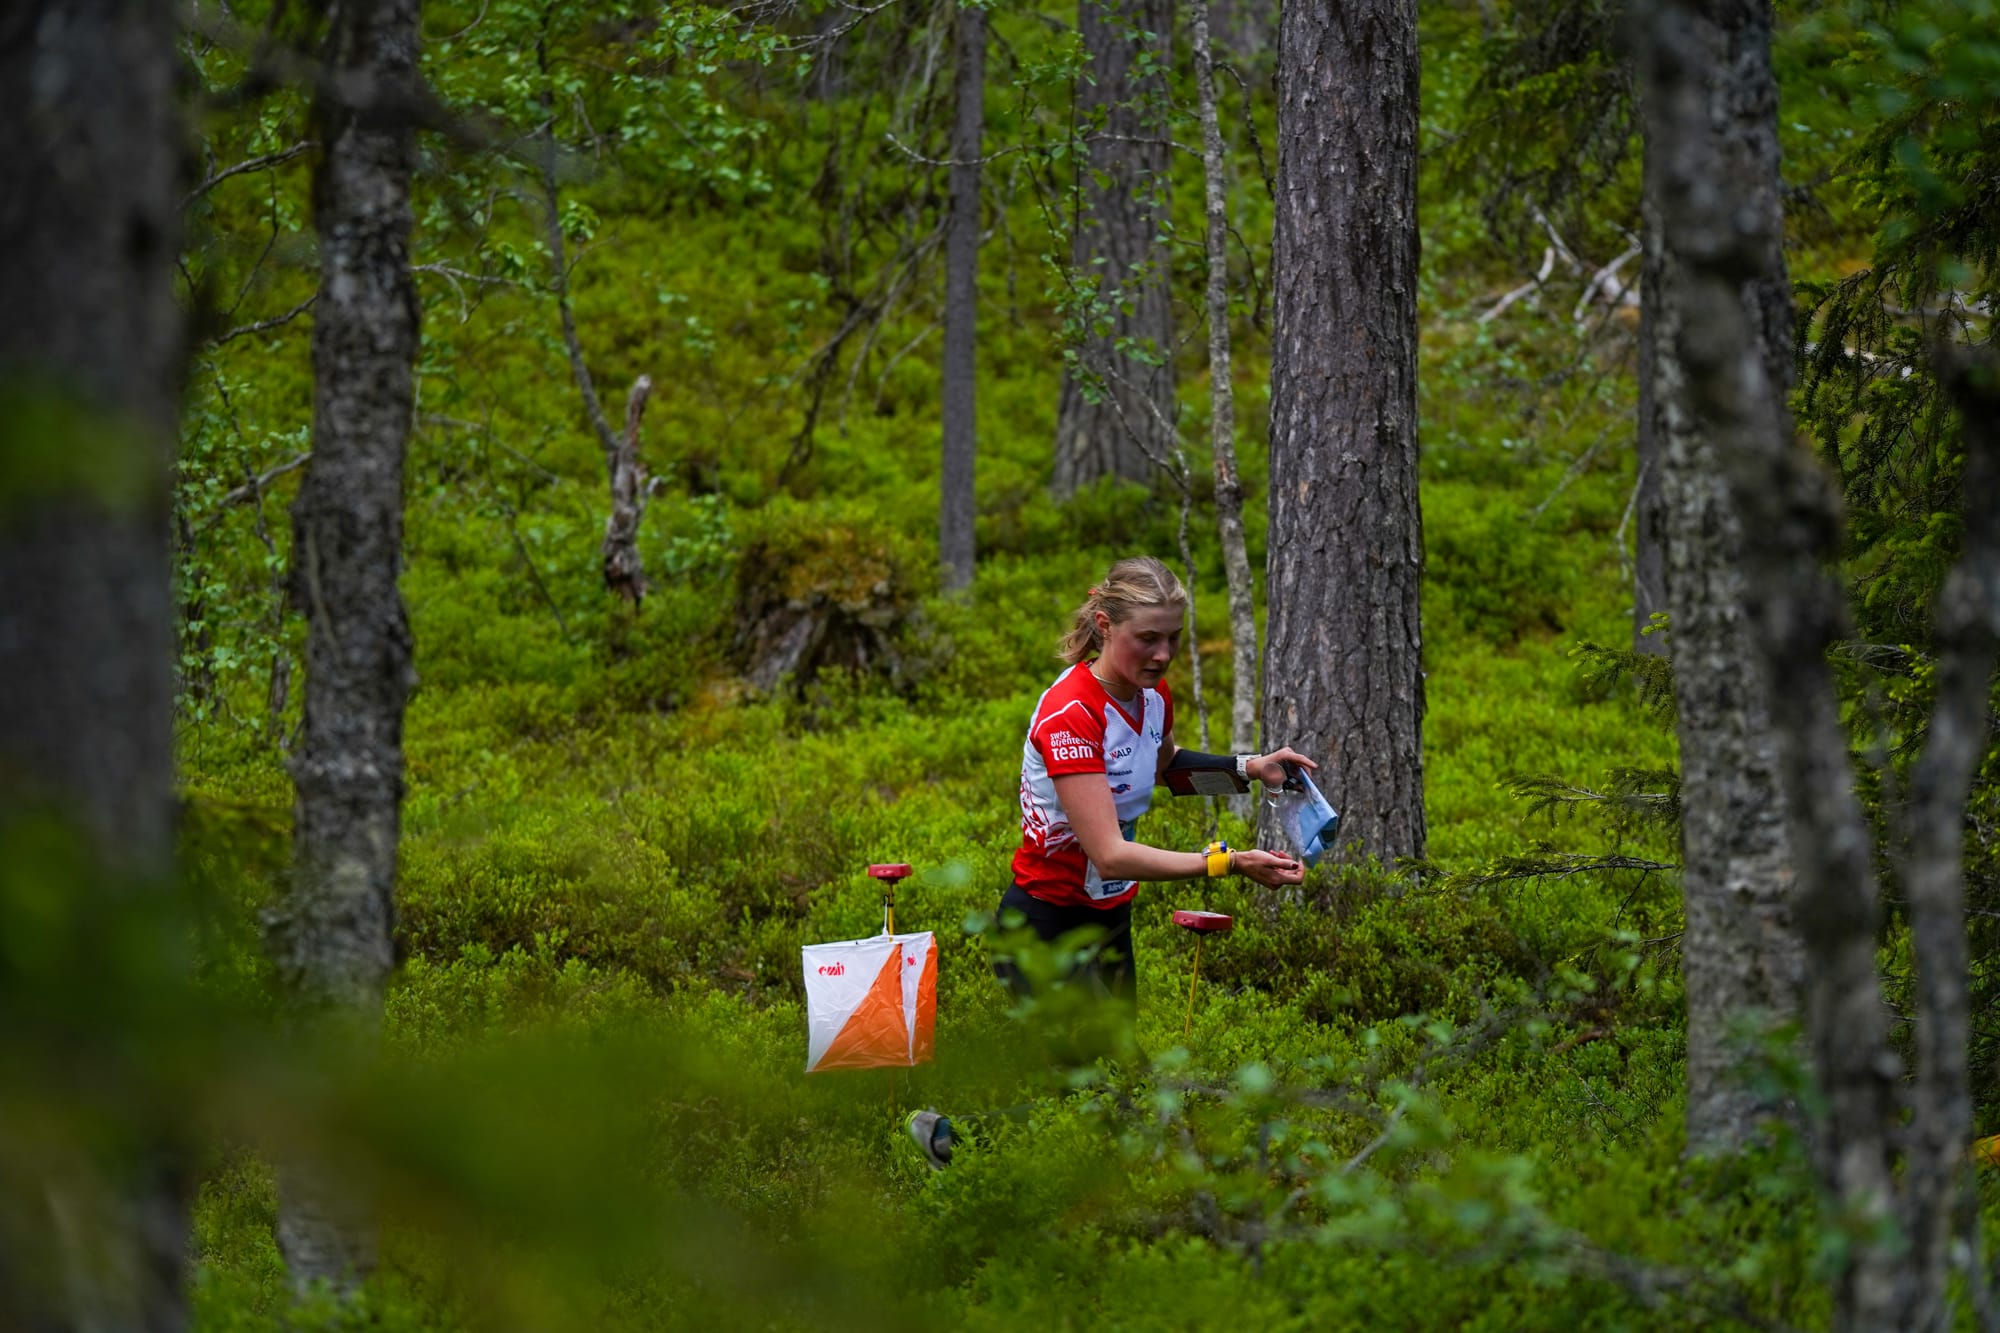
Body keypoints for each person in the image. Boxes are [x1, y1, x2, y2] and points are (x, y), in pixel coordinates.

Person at [907, 556, 1317, 1169]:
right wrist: (1227, 864)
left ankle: (963, 1151)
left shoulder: (1152, 697)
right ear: (1105, 625)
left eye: (1173, 638)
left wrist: (1247, 768)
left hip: (1108, 921)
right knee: (1105, 1093)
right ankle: (947, 1143)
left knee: (1114, 1091)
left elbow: (1164, 768)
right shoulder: (1071, 713)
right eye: (1147, 638)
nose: (1163, 654)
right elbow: (1110, 852)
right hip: (1043, 926)